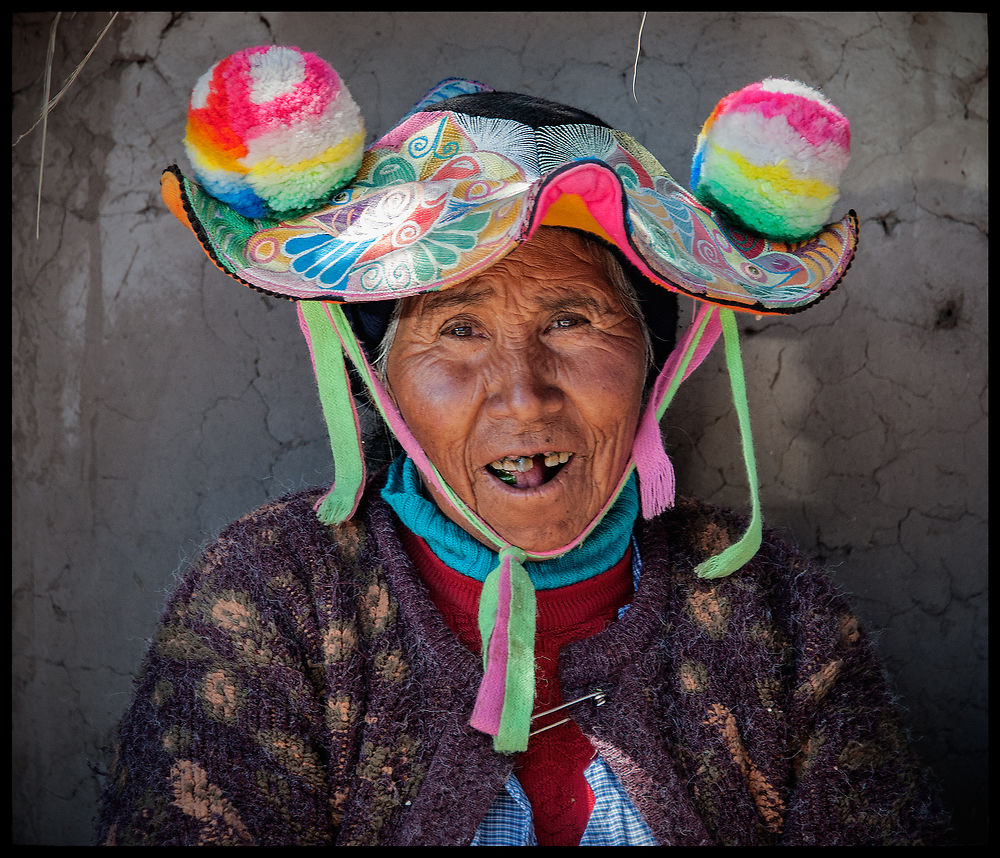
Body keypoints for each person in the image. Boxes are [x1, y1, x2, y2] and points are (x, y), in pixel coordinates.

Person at [97, 47, 946, 846]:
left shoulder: (779, 616)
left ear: (651, 361)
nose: (522, 393)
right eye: (458, 329)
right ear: (379, 382)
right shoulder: (276, 600)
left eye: (572, 320)